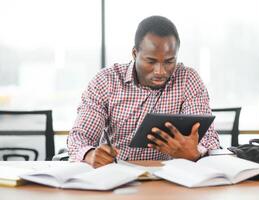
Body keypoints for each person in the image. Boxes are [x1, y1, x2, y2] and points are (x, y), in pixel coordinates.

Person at [67, 16, 220, 168]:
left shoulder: (188, 79)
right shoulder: (106, 80)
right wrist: (90, 154)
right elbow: (79, 136)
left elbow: (210, 141)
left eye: (169, 61)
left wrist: (195, 153)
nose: (160, 71)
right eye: (151, 61)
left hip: (170, 178)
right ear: (135, 54)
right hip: (116, 175)